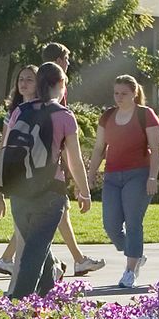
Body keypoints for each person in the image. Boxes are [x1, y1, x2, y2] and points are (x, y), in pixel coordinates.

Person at [0, 61, 92, 299]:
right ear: (60, 85)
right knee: (33, 253)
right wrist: (84, 192)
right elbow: (74, 160)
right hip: (50, 192)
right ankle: (16, 308)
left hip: (18, 191)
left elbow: (4, 152)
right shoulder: (64, 116)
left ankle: (49, 300)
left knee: (37, 247)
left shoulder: (20, 111)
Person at [88, 75, 159, 289]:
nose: (119, 97)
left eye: (124, 94)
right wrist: (91, 173)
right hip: (112, 176)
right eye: (116, 93)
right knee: (110, 224)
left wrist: (152, 177)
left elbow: (156, 149)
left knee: (133, 222)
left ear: (134, 94)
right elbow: (99, 148)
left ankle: (130, 271)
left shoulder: (145, 115)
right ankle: (135, 253)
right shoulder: (108, 116)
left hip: (138, 175)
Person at [40, 42, 105, 277]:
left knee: (50, 214)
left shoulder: (32, 97)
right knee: (52, 212)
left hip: (33, 170)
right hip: (49, 167)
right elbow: (68, 146)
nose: (68, 64)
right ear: (58, 61)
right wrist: (82, 186)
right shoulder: (57, 92)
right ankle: (64, 262)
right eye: (66, 59)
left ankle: (68, 261)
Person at [0, 64, 39, 276]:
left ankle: (43, 267)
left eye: (29, 79)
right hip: (19, 176)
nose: (24, 83)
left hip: (41, 175)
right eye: (21, 79)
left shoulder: (45, 108)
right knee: (27, 226)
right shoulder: (14, 113)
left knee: (33, 226)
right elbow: (4, 148)